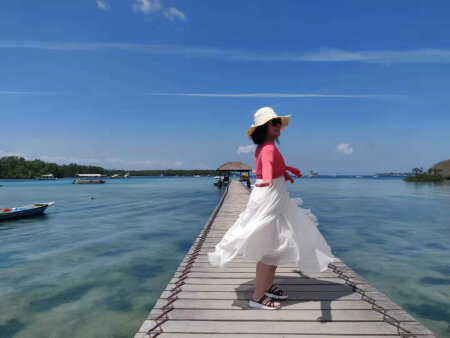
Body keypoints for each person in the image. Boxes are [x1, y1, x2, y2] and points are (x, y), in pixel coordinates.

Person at [208, 106, 335, 310]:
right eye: (275, 123)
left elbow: (270, 164)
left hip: (276, 197)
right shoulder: (267, 148)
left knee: (277, 241)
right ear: (266, 127)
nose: (279, 127)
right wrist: (268, 178)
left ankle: (266, 286)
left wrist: (284, 171)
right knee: (269, 245)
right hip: (269, 196)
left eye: (278, 123)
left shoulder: (265, 146)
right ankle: (257, 297)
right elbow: (266, 164)